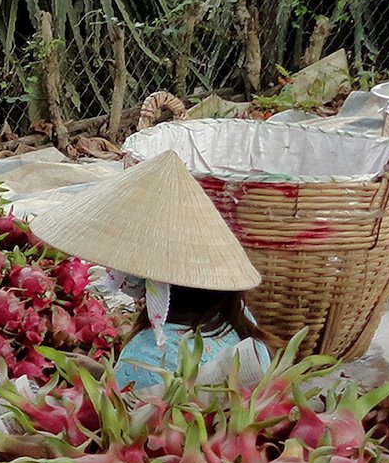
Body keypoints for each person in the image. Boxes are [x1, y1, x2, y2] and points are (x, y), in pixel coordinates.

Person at [30, 149, 273, 390]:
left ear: (156, 283)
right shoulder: (237, 317)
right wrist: (102, 373)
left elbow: (130, 409)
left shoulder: (146, 356)